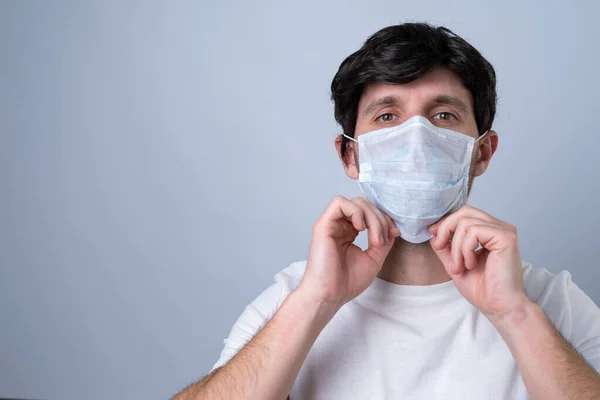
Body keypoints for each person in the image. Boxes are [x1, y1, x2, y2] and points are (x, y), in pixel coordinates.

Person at [174, 23, 600, 399]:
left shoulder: (550, 303)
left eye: (444, 114)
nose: (416, 140)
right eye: (387, 115)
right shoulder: (293, 300)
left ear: (482, 152)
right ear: (350, 155)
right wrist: (317, 301)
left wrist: (515, 315)